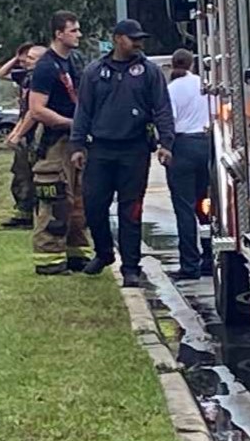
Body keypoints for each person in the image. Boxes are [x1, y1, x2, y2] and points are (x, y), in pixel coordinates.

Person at [72, 19, 175, 288]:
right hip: (100, 149)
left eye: (140, 39)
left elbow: (162, 108)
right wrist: (77, 145)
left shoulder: (149, 72)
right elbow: (83, 110)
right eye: (133, 38)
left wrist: (166, 143)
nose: (138, 43)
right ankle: (104, 252)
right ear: (118, 39)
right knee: (94, 206)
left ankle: (131, 267)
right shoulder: (95, 72)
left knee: (131, 211)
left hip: (134, 149)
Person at [27, 13, 92, 275]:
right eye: (73, 30)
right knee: (55, 199)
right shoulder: (46, 66)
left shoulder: (74, 61)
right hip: (55, 141)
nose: (79, 35)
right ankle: (48, 260)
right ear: (58, 33)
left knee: (79, 201)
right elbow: (37, 109)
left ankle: (77, 254)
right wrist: (71, 123)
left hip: (76, 140)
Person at [164, 49, 212, 282]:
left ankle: (190, 265)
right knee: (207, 205)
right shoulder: (204, 84)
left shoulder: (171, 89)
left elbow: (169, 120)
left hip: (182, 147)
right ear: (192, 64)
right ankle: (210, 257)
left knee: (184, 208)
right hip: (206, 144)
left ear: (173, 65)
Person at [0, 43, 40, 229]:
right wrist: (16, 57)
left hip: (34, 133)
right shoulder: (25, 76)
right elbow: (1, 73)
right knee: (20, 173)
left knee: (30, 174)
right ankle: (24, 211)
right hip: (25, 130)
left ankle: (30, 213)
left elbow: (32, 111)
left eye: (30, 58)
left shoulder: (39, 79)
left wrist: (17, 133)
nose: (25, 61)